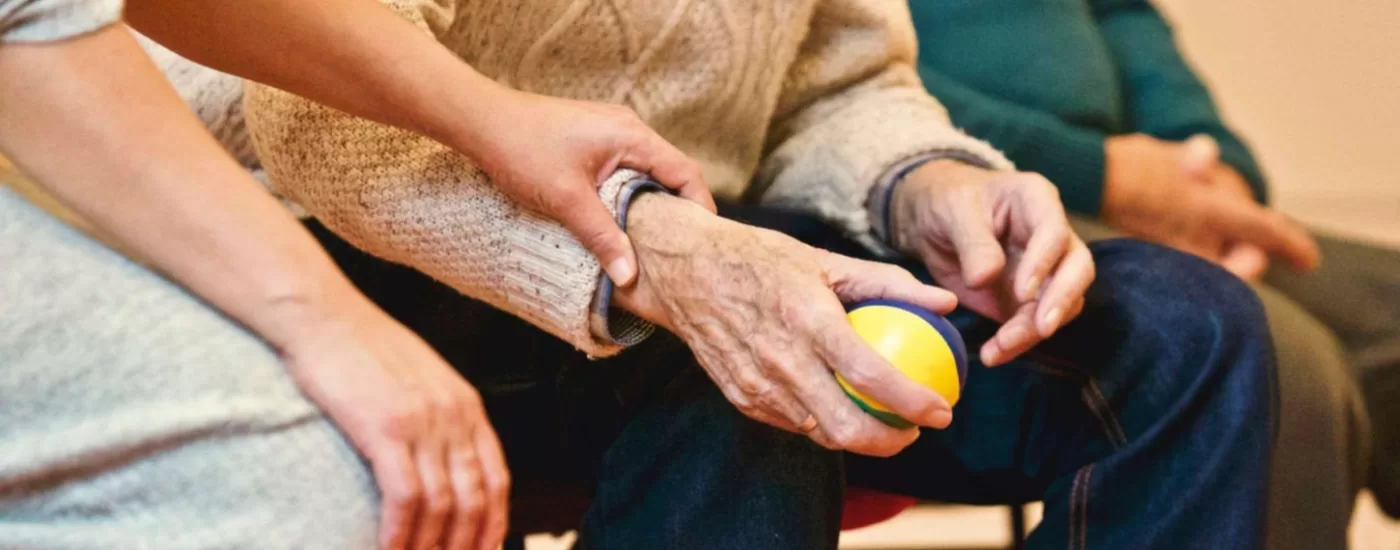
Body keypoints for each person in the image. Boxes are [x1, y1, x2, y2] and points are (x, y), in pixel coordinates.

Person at [240, 1, 1280, 548]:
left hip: (710, 227)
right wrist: (653, 250)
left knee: (1184, 332)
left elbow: (836, 85)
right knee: (745, 363)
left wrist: (929, 184)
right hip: (357, 239)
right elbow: (323, 127)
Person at [0, 0, 734, 548]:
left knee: (738, 357)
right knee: (316, 493)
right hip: (291, 207)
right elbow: (292, 115)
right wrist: (324, 320)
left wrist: (500, 119)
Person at [905, 0, 1393, 546]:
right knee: (1255, 348)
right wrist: (1103, 174)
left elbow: (1122, 13)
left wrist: (1212, 170)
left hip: (1136, 189)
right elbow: (845, 76)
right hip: (949, 195)